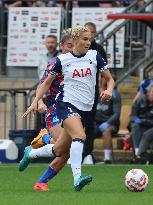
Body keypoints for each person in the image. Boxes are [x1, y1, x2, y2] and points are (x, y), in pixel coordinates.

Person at [21, 25, 115, 192]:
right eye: (84, 39)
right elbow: (44, 84)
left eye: (89, 39)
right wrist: (37, 102)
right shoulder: (59, 61)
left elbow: (109, 78)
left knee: (61, 150)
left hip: (84, 108)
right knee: (79, 137)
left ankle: (33, 152)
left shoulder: (94, 56)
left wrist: (108, 89)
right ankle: (77, 178)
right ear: (67, 44)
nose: (88, 42)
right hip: (61, 106)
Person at [19, 29, 73, 191]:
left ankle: (42, 142)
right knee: (63, 150)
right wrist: (39, 102)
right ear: (61, 46)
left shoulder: (79, 63)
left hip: (73, 110)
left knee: (65, 152)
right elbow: (43, 84)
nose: (72, 48)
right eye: (69, 45)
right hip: (55, 109)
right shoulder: (55, 63)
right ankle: (40, 180)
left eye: (74, 45)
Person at [82, 22, 108, 164]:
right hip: (76, 91)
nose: (89, 35)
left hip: (92, 91)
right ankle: (73, 151)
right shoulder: (78, 47)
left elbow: (105, 72)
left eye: (92, 32)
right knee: (75, 122)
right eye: (87, 32)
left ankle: (87, 153)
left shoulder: (98, 50)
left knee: (89, 123)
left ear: (95, 33)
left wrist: (103, 88)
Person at [94, 77, 121, 164]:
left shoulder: (115, 94)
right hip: (96, 123)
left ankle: (107, 158)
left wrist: (107, 123)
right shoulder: (96, 93)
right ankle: (87, 155)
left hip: (110, 124)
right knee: (84, 130)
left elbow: (116, 114)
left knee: (106, 131)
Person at [130, 84, 153, 161]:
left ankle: (138, 156)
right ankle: (137, 153)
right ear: (149, 92)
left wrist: (143, 121)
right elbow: (133, 115)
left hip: (150, 126)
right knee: (134, 127)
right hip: (142, 125)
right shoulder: (140, 100)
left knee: (146, 134)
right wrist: (135, 118)